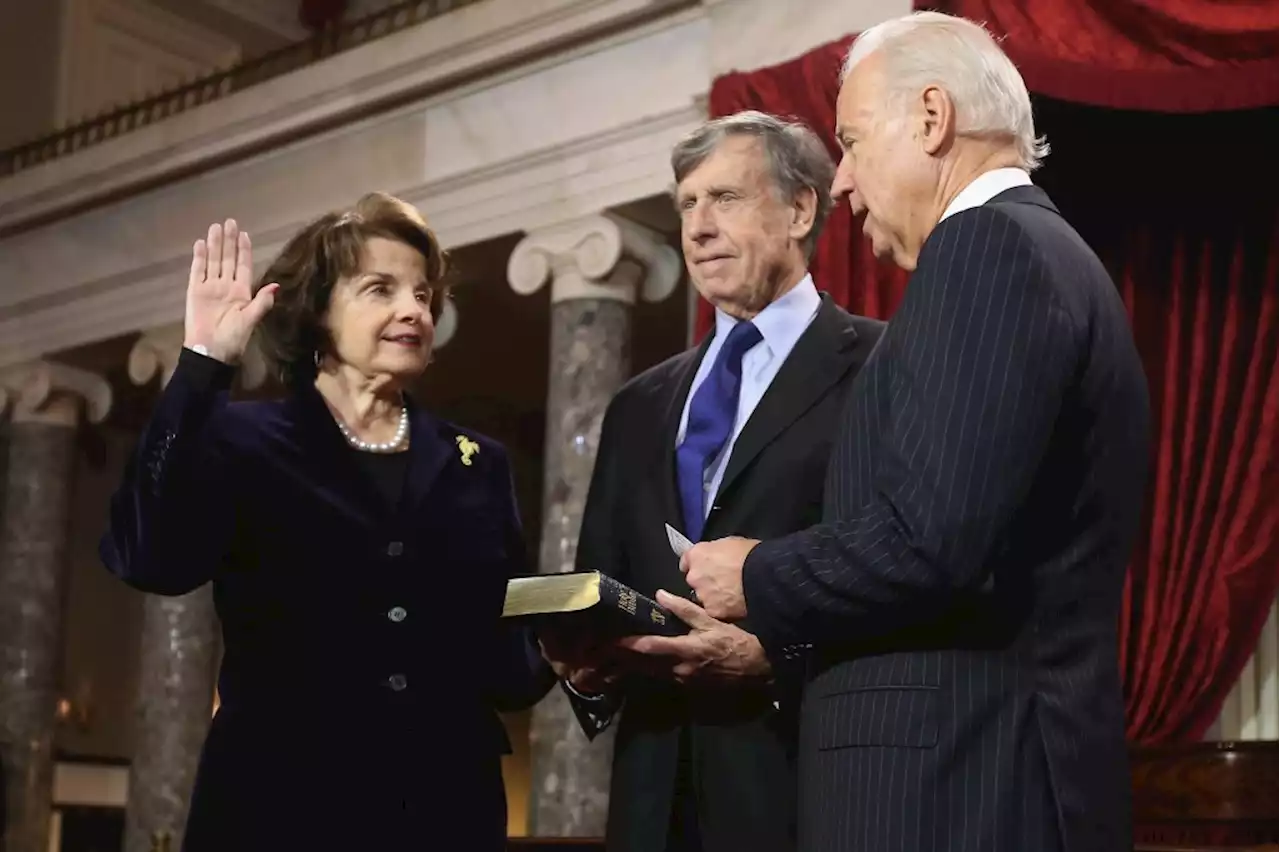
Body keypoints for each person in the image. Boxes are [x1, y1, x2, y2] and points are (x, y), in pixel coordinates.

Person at [635, 11, 1151, 852]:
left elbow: (934, 541)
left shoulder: (987, 247)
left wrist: (756, 571)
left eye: (852, 140)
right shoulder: (1041, 250)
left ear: (933, 118)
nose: (842, 182)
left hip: (953, 788)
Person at [99, 193, 555, 851]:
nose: (415, 310)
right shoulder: (239, 438)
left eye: (425, 294)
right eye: (382, 288)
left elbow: (507, 665)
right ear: (316, 310)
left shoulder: (477, 463)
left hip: (445, 810)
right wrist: (202, 365)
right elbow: (149, 557)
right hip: (278, 807)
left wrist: (570, 650)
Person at [540, 111, 885, 852]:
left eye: (725, 198)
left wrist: (770, 662)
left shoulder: (882, 367)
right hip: (652, 798)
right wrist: (588, 670)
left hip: (799, 787)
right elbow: (604, 573)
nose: (698, 226)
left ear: (800, 210)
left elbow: (901, 571)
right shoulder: (637, 404)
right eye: (687, 204)